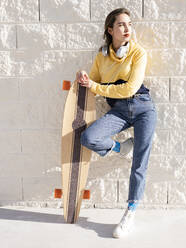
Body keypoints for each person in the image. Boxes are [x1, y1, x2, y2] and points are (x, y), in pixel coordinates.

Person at [75, 7, 157, 238]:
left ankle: (130, 211)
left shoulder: (138, 52)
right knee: (89, 137)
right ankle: (122, 148)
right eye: (121, 24)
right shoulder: (102, 56)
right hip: (119, 110)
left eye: (129, 24)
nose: (127, 28)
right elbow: (92, 81)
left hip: (143, 107)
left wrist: (97, 87)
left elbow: (130, 87)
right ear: (110, 30)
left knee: (139, 164)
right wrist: (85, 78)